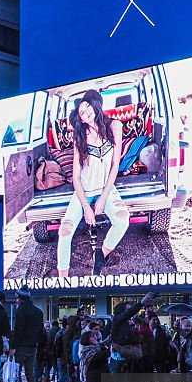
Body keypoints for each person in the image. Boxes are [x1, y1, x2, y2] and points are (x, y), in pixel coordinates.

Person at [58, 89, 131, 277]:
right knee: (64, 231)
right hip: (84, 190)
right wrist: (86, 206)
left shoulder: (115, 126)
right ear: (80, 119)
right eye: (81, 112)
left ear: (96, 106)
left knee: (123, 220)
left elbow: (115, 165)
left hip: (106, 188)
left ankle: (101, 254)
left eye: (87, 107)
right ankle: (61, 281)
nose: (86, 112)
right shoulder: (80, 137)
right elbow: (75, 176)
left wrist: (103, 198)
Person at [10, 286, 44, 382]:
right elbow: (40, 330)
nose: (16, 300)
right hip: (33, 346)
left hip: (21, 347)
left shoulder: (20, 310)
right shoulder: (38, 312)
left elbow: (18, 330)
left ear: (21, 298)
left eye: (17, 298)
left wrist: (13, 346)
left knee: (17, 372)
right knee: (30, 373)